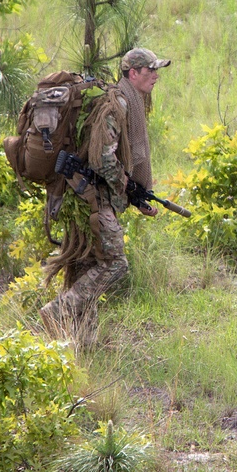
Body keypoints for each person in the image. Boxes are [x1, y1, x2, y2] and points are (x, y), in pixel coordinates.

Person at [39, 47, 170, 340]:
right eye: (151, 72)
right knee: (115, 263)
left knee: (87, 263)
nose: (156, 77)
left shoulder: (126, 102)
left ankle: (85, 340)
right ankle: (59, 310)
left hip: (85, 195)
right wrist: (125, 187)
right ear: (132, 74)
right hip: (88, 196)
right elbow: (103, 158)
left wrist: (136, 197)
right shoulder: (117, 105)